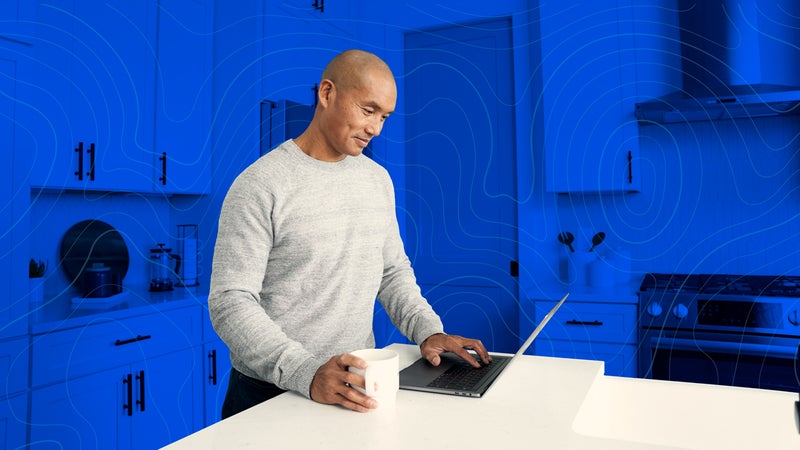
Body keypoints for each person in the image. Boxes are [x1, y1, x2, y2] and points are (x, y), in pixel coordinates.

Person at [209, 49, 490, 417]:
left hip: (355, 386)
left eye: (385, 116)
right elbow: (230, 301)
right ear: (327, 94)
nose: (376, 128)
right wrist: (305, 372)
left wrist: (428, 331)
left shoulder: (377, 180)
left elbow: (391, 272)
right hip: (269, 393)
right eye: (368, 110)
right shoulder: (261, 184)